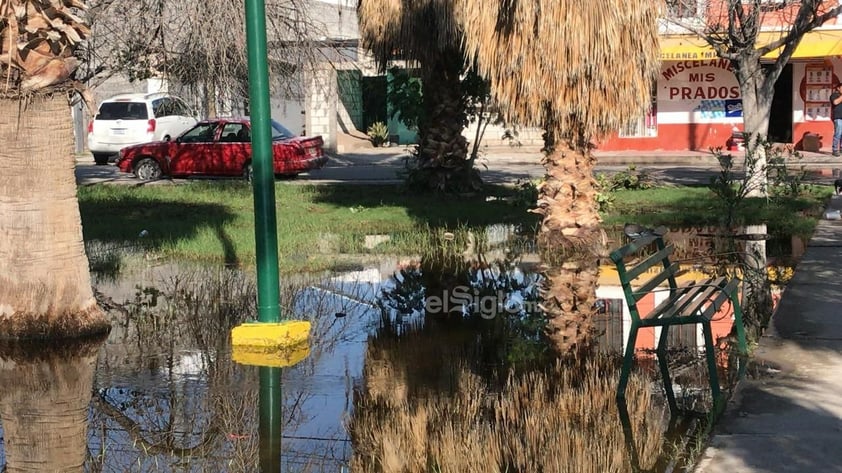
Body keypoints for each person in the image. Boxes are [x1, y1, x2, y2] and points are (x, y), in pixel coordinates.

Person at [830, 82, 842, 156]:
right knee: (838, 133)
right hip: (838, 118)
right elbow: (835, 102)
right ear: (838, 88)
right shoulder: (834, 95)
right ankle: (835, 150)